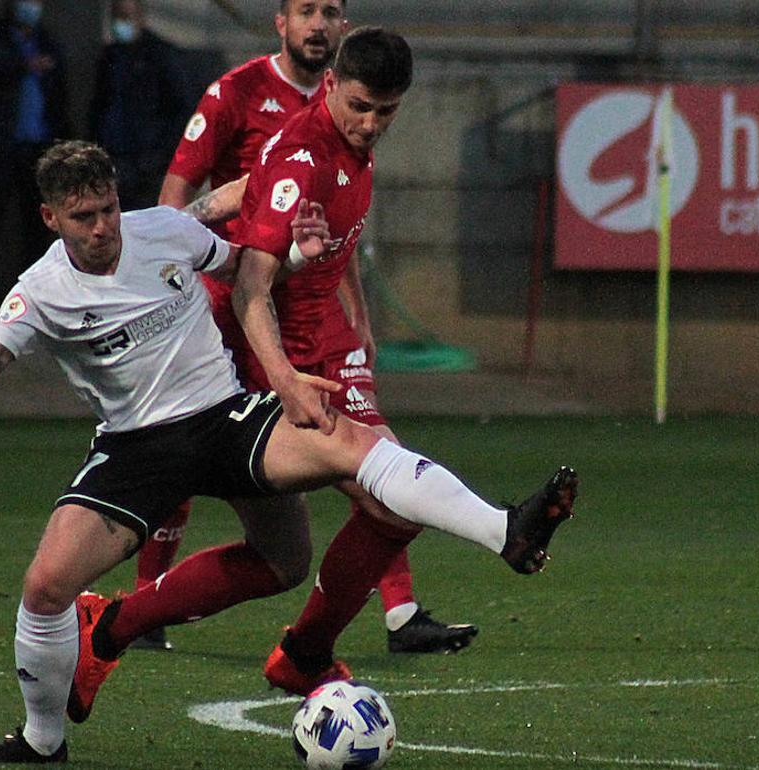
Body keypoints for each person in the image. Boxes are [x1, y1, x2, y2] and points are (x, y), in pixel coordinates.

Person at [0, 140, 577, 763]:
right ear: (52, 217)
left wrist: (293, 257)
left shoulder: (165, 230)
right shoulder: (41, 288)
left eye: (108, 210)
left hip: (226, 419)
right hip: (137, 449)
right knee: (45, 588)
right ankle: (43, 741)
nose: (102, 228)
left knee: (327, 486)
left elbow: (242, 271)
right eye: (83, 218)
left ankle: (506, 530)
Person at [146, 0, 477, 657]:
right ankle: (144, 603)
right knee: (182, 459)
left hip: (312, 309)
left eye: (331, 10)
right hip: (242, 303)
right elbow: (184, 195)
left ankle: (398, 611)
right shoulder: (237, 93)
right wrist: (161, 265)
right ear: (282, 21)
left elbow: (334, 225)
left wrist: (354, 306)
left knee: (372, 454)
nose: (319, 23)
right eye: (307, 9)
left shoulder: (357, 118)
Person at [229, 25, 474, 694]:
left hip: (327, 337)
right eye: (362, 107)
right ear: (331, 84)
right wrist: (280, 376)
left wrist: (361, 316)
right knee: (371, 500)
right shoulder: (263, 114)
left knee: (390, 497)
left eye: (387, 112)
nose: (372, 125)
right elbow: (252, 277)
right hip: (270, 346)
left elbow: (337, 243)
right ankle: (128, 617)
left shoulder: (349, 150)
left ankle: (370, 623)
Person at [0, 0, 72, 317]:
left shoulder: (48, 41)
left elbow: (60, 98)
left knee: (38, 230)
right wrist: (21, 66)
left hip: (38, 149)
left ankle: (34, 303)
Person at [88, 0, 192, 211]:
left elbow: (180, 111)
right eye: (117, 18)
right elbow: (100, 106)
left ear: (140, 17)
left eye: (126, 18)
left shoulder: (161, 56)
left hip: (147, 166)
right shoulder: (111, 56)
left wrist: (156, 157)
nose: (122, 24)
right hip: (113, 160)